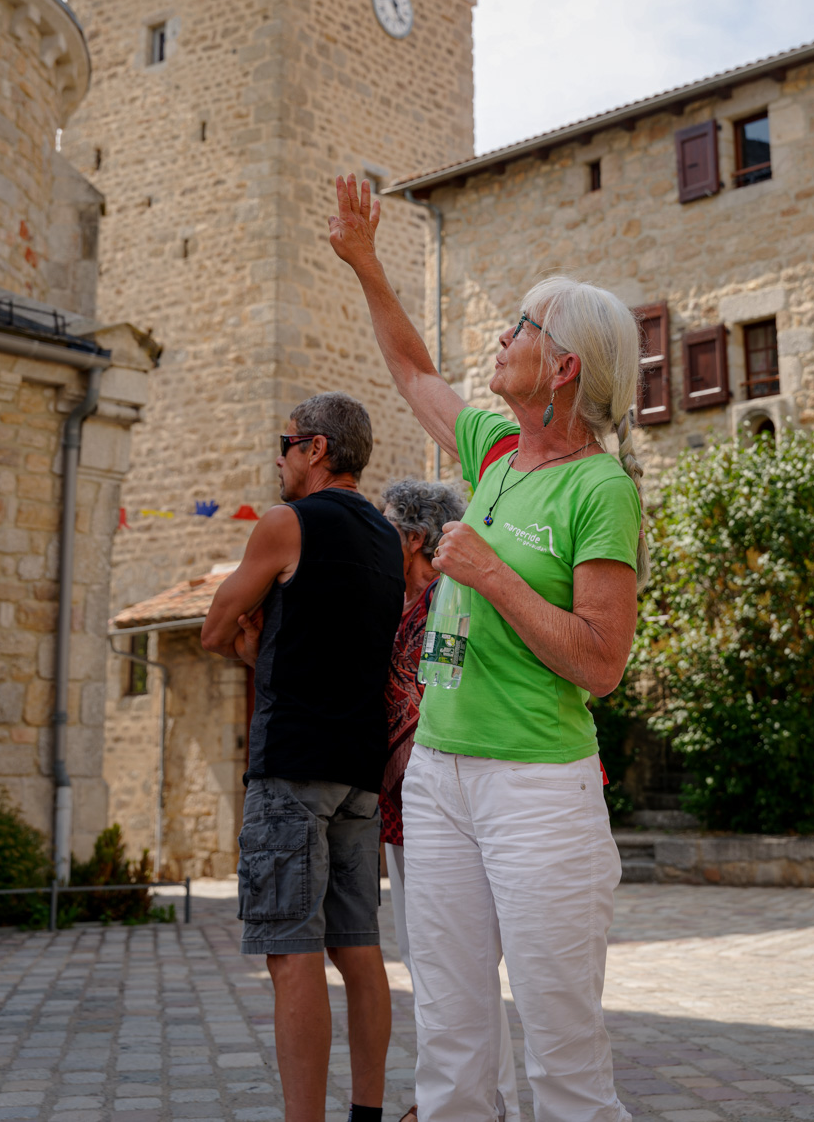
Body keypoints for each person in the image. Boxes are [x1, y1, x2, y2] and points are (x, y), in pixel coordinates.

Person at [329, 174, 643, 1122]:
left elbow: (601, 661)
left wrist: (494, 573)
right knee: (454, 1046)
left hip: (538, 790)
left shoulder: (601, 490)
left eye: (521, 326)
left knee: (563, 1052)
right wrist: (368, 264)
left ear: (565, 369)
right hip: (439, 779)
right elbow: (415, 371)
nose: (501, 337)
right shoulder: (494, 454)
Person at [202, 391, 405, 1122]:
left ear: (316, 448)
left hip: (292, 767)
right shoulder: (387, 539)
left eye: (285, 443)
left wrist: (244, 641)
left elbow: (216, 621)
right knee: (358, 948)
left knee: (292, 954)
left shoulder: (286, 523)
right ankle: (367, 1113)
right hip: (359, 771)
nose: (278, 457)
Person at [380, 481, 520, 1122]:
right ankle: (456, 1099)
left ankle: (489, 1103)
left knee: (455, 965)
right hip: (409, 809)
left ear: (413, 537)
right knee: (433, 961)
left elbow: (432, 694)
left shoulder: (444, 599)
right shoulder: (407, 604)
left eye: (388, 526)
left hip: (434, 805)